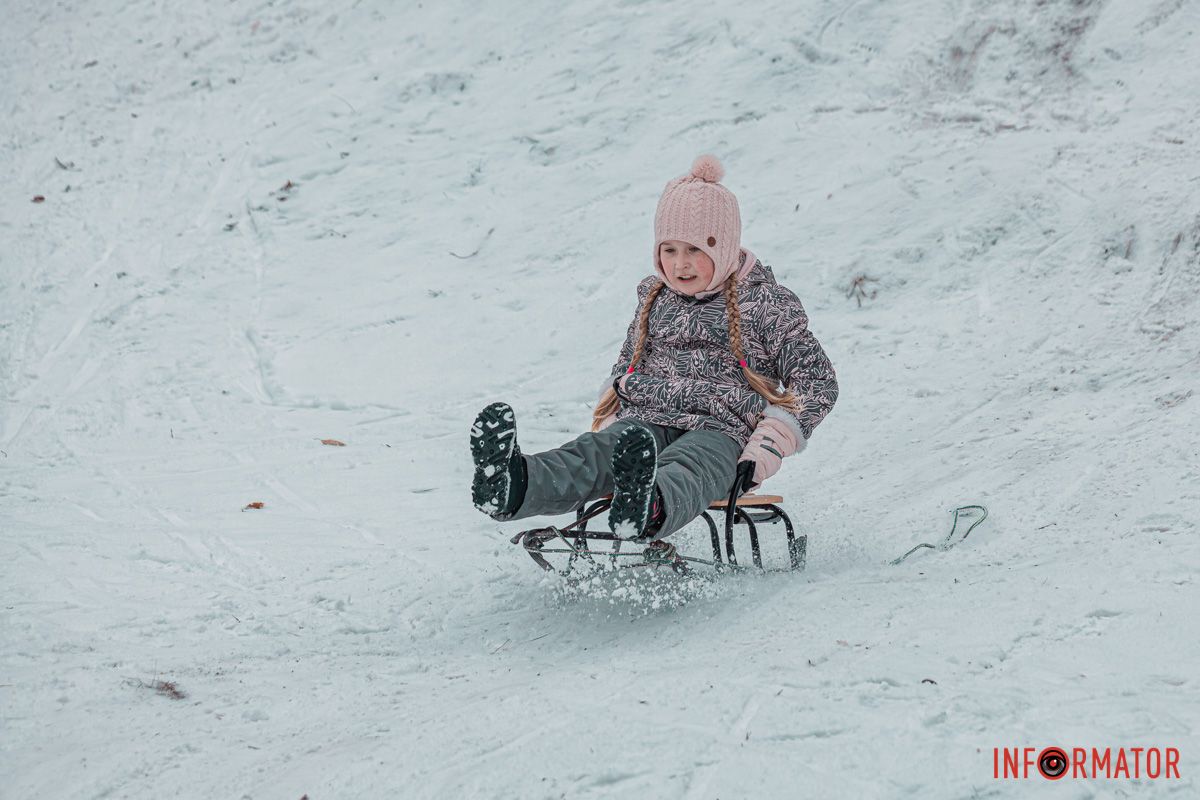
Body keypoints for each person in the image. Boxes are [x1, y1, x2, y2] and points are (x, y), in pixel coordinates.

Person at [470, 154, 838, 543]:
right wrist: (613, 420)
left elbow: (816, 383)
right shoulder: (655, 298)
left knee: (691, 465)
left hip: (724, 430)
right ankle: (512, 484)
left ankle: (646, 505)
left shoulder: (764, 304)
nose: (681, 264)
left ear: (725, 245)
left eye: (696, 250)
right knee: (595, 454)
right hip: (647, 419)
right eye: (670, 250)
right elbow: (625, 369)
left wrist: (767, 446)